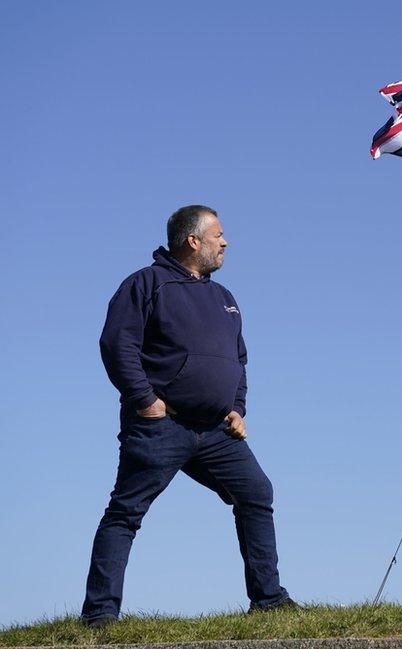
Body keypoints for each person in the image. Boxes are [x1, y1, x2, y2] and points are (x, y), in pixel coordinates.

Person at [81, 205, 295, 627]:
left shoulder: (224, 298)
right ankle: (100, 614)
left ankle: (268, 600)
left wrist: (237, 408)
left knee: (256, 494)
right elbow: (116, 344)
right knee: (126, 512)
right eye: (217, 234)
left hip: (216, 431)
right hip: (162, 426)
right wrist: (145, 400)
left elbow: (239, 359)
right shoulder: (146, 284)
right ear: (192, 240)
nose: (225, 242)